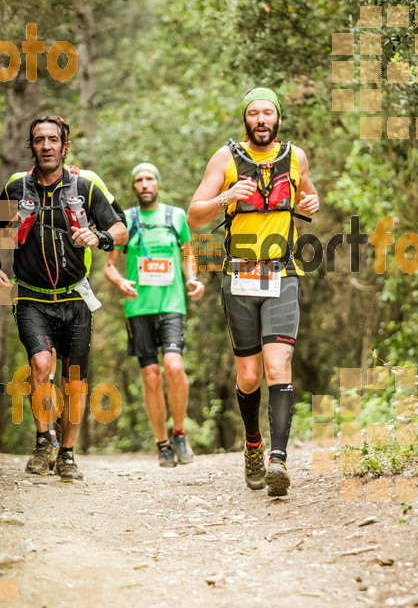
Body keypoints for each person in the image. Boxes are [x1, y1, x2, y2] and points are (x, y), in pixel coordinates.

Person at [187, 87, 319, 496]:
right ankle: (253, 444)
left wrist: (312, 203)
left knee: (279, 367)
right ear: (245, 119)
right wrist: (226, 196)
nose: (261, 119)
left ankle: (278, 461)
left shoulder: (295, 157)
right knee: (248, 376)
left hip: (283, 273)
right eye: (254, 113)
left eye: (268, 113)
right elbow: (193, 216)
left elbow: (308, 194)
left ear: (278, 118)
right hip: (239, 277)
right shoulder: (224, 159)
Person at [0, 115, 128, 481]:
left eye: (52, 139)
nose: (46, 146)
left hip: (75, 297)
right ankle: (44, 443)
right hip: (32, 297)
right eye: (39, 140)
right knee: (41, 364)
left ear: (64, 146)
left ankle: (67, 454)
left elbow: (120, 229)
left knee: (74, 380)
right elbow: (0, 234)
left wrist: (97, 238)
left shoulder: (85, 187)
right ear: (32, 147)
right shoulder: (16, 188)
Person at [105, 163, 204, 467]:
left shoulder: (176, 217)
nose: (145, 184)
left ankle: (179, 432)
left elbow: (188, 252)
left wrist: (193, 278)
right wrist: (121, 282)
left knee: (174, 367)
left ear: (158, 183)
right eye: (139, 180)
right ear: (133, 186)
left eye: (149, 179)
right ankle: (162, 443)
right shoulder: (125, 221)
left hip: (172, 304)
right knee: (150, 378)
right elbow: (109, 265)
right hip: (139, 308)